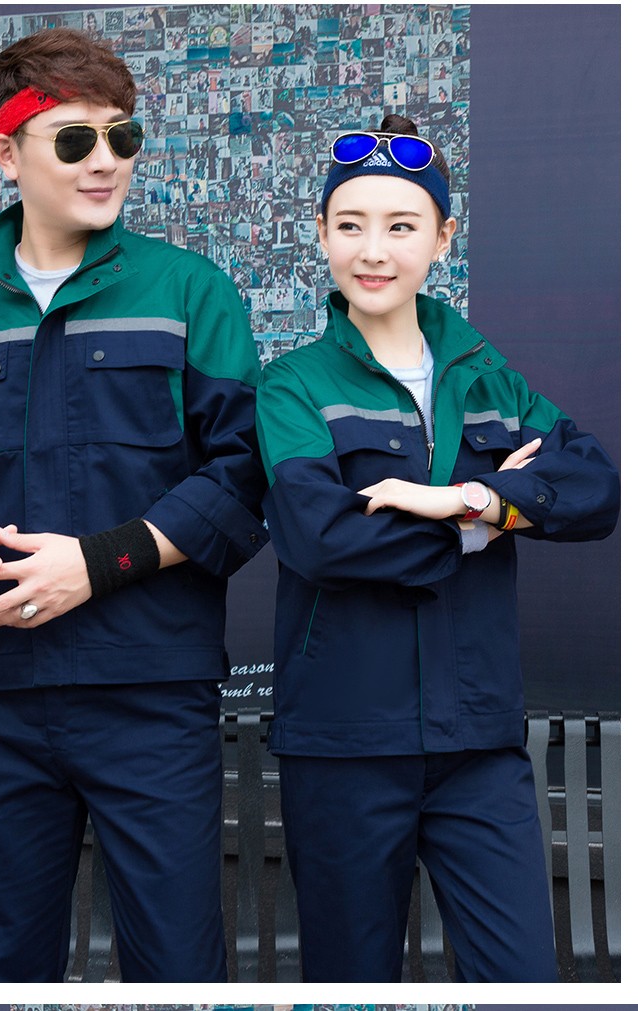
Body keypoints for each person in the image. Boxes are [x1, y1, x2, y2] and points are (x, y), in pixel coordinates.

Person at [0, 27, 268, 982]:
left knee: (176, 969)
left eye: (121, 137)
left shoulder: (190, 293)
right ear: (6, 153)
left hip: (150, 694)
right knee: (1, 970)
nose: (106, 162)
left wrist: (98, 561)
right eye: (75, 139)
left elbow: (243, 476)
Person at [255, 114, 619, 982]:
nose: (374, 251)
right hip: (344, 744)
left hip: (479, 745)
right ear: (321, 233)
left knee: (524, 982)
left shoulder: (488, 377)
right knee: (352, 987)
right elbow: (320, 538)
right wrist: (484, 521)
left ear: (443, 237)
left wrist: (466, 494)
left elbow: (595, 487)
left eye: (401, 225)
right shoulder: (292, 385)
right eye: (351, 225)